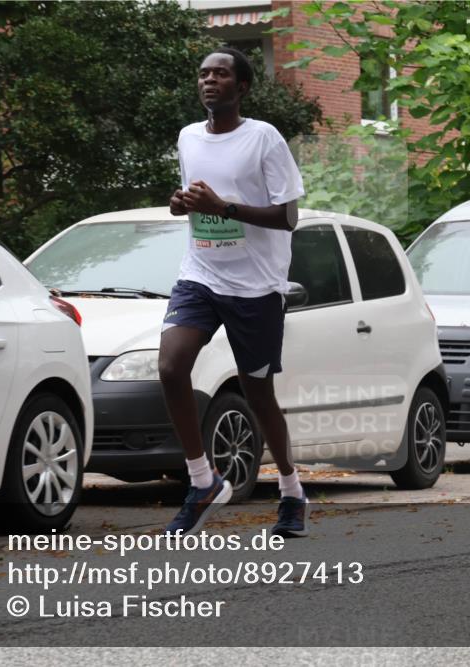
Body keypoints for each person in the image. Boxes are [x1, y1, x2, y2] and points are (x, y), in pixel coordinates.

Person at [159, 47, 309, 536]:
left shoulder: (263, 138)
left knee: (257, 393)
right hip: (201, 272)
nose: (209, 81)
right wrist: (183, 204)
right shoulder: (187, 137)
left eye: (220, 74)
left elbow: (287, 218)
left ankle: (290, 490)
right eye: (203, 74)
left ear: (241, 87)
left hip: (257, 286)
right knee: (171, 364)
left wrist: (224, 208)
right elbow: (193, 202)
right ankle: (202, 480)